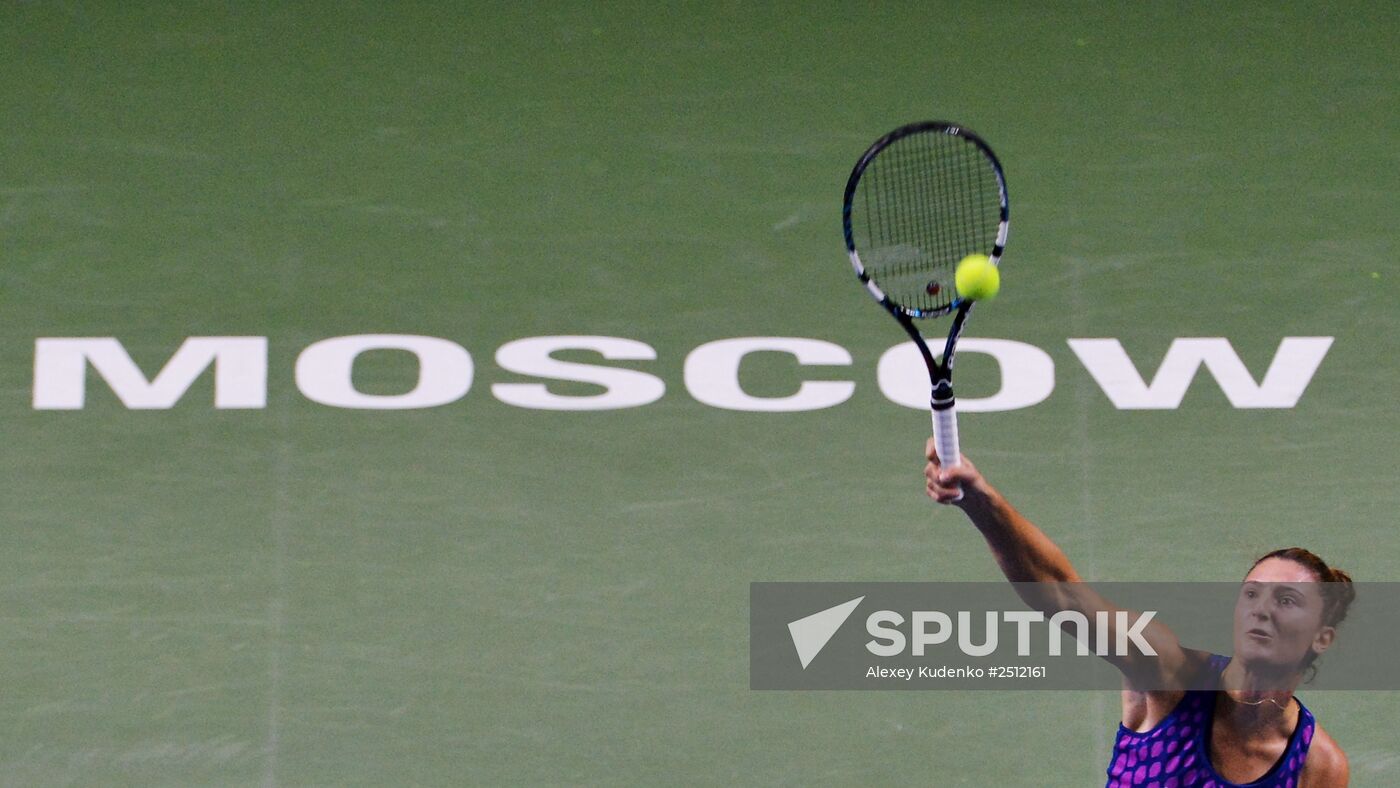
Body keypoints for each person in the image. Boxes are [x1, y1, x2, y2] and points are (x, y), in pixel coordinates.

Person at [924, 442, 1352, 787]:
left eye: (1287, 600)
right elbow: (1063, 595)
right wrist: (980, 501)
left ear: (1322, 637)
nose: (1262, 611)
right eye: (1252, 595)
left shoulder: (1319, 768)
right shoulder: (1168, 674)